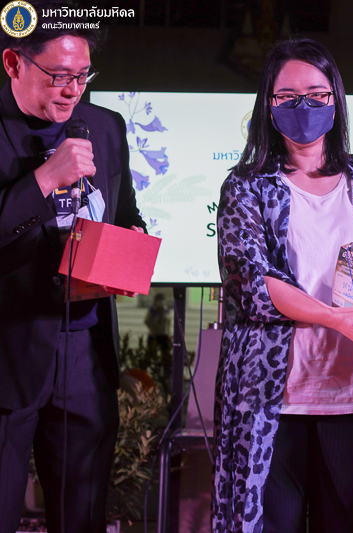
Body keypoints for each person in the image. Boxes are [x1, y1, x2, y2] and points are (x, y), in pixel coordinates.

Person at [213, 38, 353, 533]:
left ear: (336, 100)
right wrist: (333, 317)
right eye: (287, 96)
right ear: (268, 105)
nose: (302, 106)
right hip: (269, 400)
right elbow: (252, 285)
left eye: (316, 94)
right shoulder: (247, 185)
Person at [0, 4, 146, 533]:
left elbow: (124, 213)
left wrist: (131, 244)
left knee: (81, 518)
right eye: (60, 76)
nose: (72, 91)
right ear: (14, 63)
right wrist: (43, 181)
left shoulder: (104, 127)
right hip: (7, 351)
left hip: (85, 350)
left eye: (83, 76)